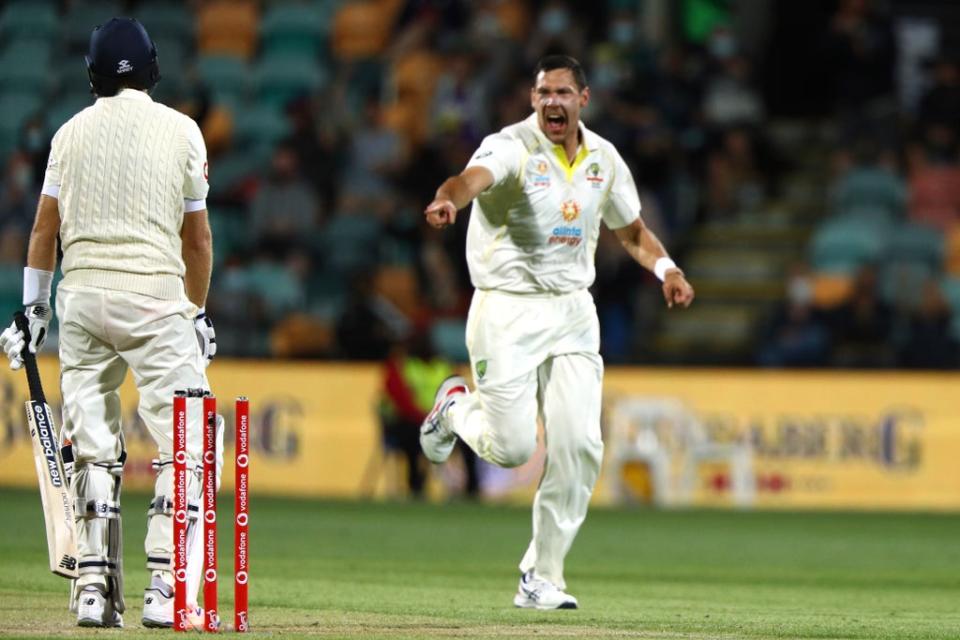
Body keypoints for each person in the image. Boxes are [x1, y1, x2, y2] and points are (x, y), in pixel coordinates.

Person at [419, 54, 694, 610]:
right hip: (507, 310)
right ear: (532, 99)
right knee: (513, 447)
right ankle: (454, 408)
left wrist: (668, 270)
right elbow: (471, 178)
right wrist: (449, 198)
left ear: (583, 100)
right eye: (543, 92)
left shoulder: (605, 159)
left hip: (572, 311)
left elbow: (633, 230)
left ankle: (542, 576)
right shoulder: (511, 145)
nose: (552, 102)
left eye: (563, 92)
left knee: (579, 444)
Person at [0, 19, 217, 629]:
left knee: (92, 446)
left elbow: (43, 231)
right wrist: (196, 315)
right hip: (155, 298)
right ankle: (164, 592)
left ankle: (94, 589)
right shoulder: (183, 131)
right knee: (185, 444)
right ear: (153, 69)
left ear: (92, 74)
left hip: (85, 300)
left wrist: (35, 310)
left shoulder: (67, 134)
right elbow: (197, 242)